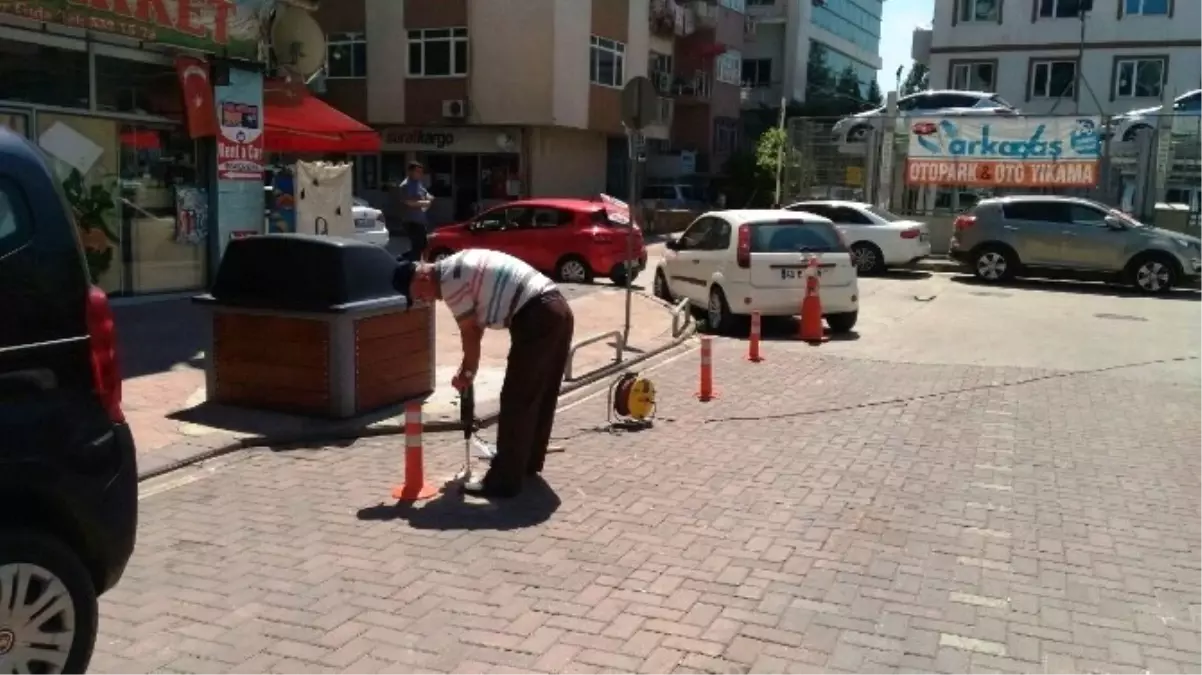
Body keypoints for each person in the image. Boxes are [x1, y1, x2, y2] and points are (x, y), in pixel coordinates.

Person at [393, 249, 574, 499]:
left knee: (516, 399)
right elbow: (475, 328)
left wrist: (468, 371)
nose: (425, 300)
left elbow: (471, 330)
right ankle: (527, 463)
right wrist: (468, 368)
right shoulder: (455, 265)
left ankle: (503, 482)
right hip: (556, 307)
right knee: (540, 393)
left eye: (418, 295)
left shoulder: (449, 282)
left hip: (536, 315)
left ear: (422, 277)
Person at [386, 162, 433, 260]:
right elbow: (409, 202)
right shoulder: (406, 185)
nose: (420, 174)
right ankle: (405, 263)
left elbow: (425, 193)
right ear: (410, 172)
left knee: (423, 245)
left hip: (420, 220)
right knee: (418, 246)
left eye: (421, 172)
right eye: (418, 171)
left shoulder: (418, 183)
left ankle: (401, 259)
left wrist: (429, 197)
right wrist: (425, 203)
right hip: (411, 221)